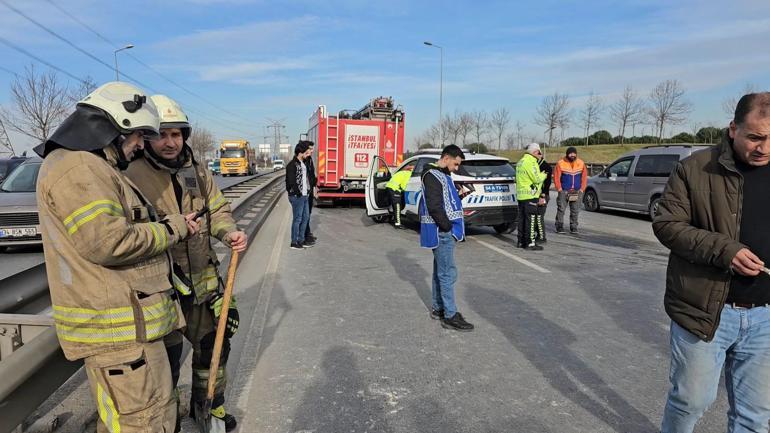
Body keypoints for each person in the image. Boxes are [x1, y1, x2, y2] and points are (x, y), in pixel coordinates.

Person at [35, 82, 199, 433]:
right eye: (138, 134)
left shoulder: (95, 167)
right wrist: (172, 229)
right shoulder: (79, 168)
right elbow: (107, 242)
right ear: (114, 126)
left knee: (148, 417)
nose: (141, 144)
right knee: (144, 423)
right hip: (121, 337)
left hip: (131, 332)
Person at [125, 95, 247, 432]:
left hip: (203, 283)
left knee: (214, 349)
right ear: (147, 136)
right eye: (161, 134)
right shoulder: (130, 174)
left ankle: (208, 408)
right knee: (166, 360)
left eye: (176, 135)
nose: (169, 142)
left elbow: (218, 211)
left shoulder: (197, 169)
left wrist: (230, 234)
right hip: (161, 289)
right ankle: (168, 421)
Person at [653, 92, 770, 433]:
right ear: (733, 129)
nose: (763, 147)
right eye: (755, 137)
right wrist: (725, 251)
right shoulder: (695, 168)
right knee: (691, 401)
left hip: (765, 315)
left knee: (755, 416)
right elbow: (666, 224)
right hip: (705, 310)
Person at [420, 145, 474, 332]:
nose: (456, 168)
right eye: (456, 164)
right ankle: (450, 315)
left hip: (442, 231)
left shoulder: (440, 174)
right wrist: (448, 227)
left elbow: (444, 200)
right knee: (447, 273)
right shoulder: (433, 175)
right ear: (446, 158)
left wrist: (459, 194)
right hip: (441, 232)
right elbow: (435, 206)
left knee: (439, 272)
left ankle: (438, 308)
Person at [516, 143, 547, 250]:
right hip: (530, 195)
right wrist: (544, 174)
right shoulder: (531, 162)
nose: (541, 155)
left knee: (522, 220)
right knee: (531, 220)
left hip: (521, 195)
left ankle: (521, 241)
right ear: (534, 152)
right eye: (539, 152)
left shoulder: (521, 161)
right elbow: (537, 179)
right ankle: (530, 243)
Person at [286, 141, 313, 249]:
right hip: (298, 196)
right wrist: (298, 194)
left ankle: (301, 240)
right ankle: (294, 242)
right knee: (298, 219)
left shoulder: (303, 163)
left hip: (305, 195)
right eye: (306, 153)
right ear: (300, 153)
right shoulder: (292, 165)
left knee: (305, 218)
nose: (308, 154)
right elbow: (291, 181)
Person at [553, 146, 587, 234]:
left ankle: (574, 227)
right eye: (570, 153)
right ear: (567, 154)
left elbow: (584, 177)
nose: (572, 155)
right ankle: (559, 226)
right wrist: (559, 189)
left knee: (575, 210)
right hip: (564, 191)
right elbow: (556, 177)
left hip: (577, 191)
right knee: (561, 209)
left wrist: (582, 189)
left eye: (574, 153)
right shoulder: (560, 163)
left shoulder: (581, 163)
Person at [385, 164, 414, 228]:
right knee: (397, 207)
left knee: (393, 205)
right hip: (395, 189)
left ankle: (391, 218)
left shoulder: (401, 172)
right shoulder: (408, 174)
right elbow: (403, 186)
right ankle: (397, 224)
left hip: (389, 187)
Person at [535, 154, 553, 244]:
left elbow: (547, 183)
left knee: (539, 216)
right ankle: (538, 235)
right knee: (535, 216)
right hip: (535, 195)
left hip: (543, 195)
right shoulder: (534, 164)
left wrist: (543, 195)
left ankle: (542, 237)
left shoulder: (546, 167)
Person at [303, 140, 318, 243]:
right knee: (305, 215)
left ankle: (307, 233)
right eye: (310, 149)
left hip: (310, 190)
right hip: (305, 191)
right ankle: (304, 236)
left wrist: (314, 186)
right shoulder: (303, 161)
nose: (312, 151)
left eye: (312, 149)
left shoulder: (309, 160)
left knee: (308, 213)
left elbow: (312, 175)